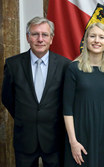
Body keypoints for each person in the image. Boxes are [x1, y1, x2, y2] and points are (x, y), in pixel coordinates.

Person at [1, 16, 71, 167]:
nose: (40, 39)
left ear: (51, 39)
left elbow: (67, 100)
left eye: (45, 35)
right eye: (35, 34)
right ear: (28, 37)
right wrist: (26, 115)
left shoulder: (65, 66)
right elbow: (7, 98)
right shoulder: (13, 65)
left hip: (54, 139)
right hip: (24, 138)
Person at [63, 22, 104, 167]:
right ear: (85, 40)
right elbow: (67, 109)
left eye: (101, 37)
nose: (96, 41)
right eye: (92, 36)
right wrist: (73, 142)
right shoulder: (73, 68)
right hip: (80, 136)